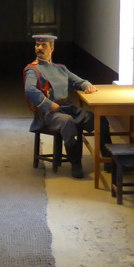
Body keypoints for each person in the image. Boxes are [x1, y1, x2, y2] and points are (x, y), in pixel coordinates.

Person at [23, 34, 107, 179]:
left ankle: (109, 160)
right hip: (48, 113)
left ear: (52, 48)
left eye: (44, 45)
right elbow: (29, 90)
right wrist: (49, 104)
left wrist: (87, 85)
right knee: (67, 122)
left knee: (100, 120)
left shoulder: (61, 68)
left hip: (66, 107)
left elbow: (78, 81)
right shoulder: (33, 69)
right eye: (37, 45)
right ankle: (76, 164)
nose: (39, 48)